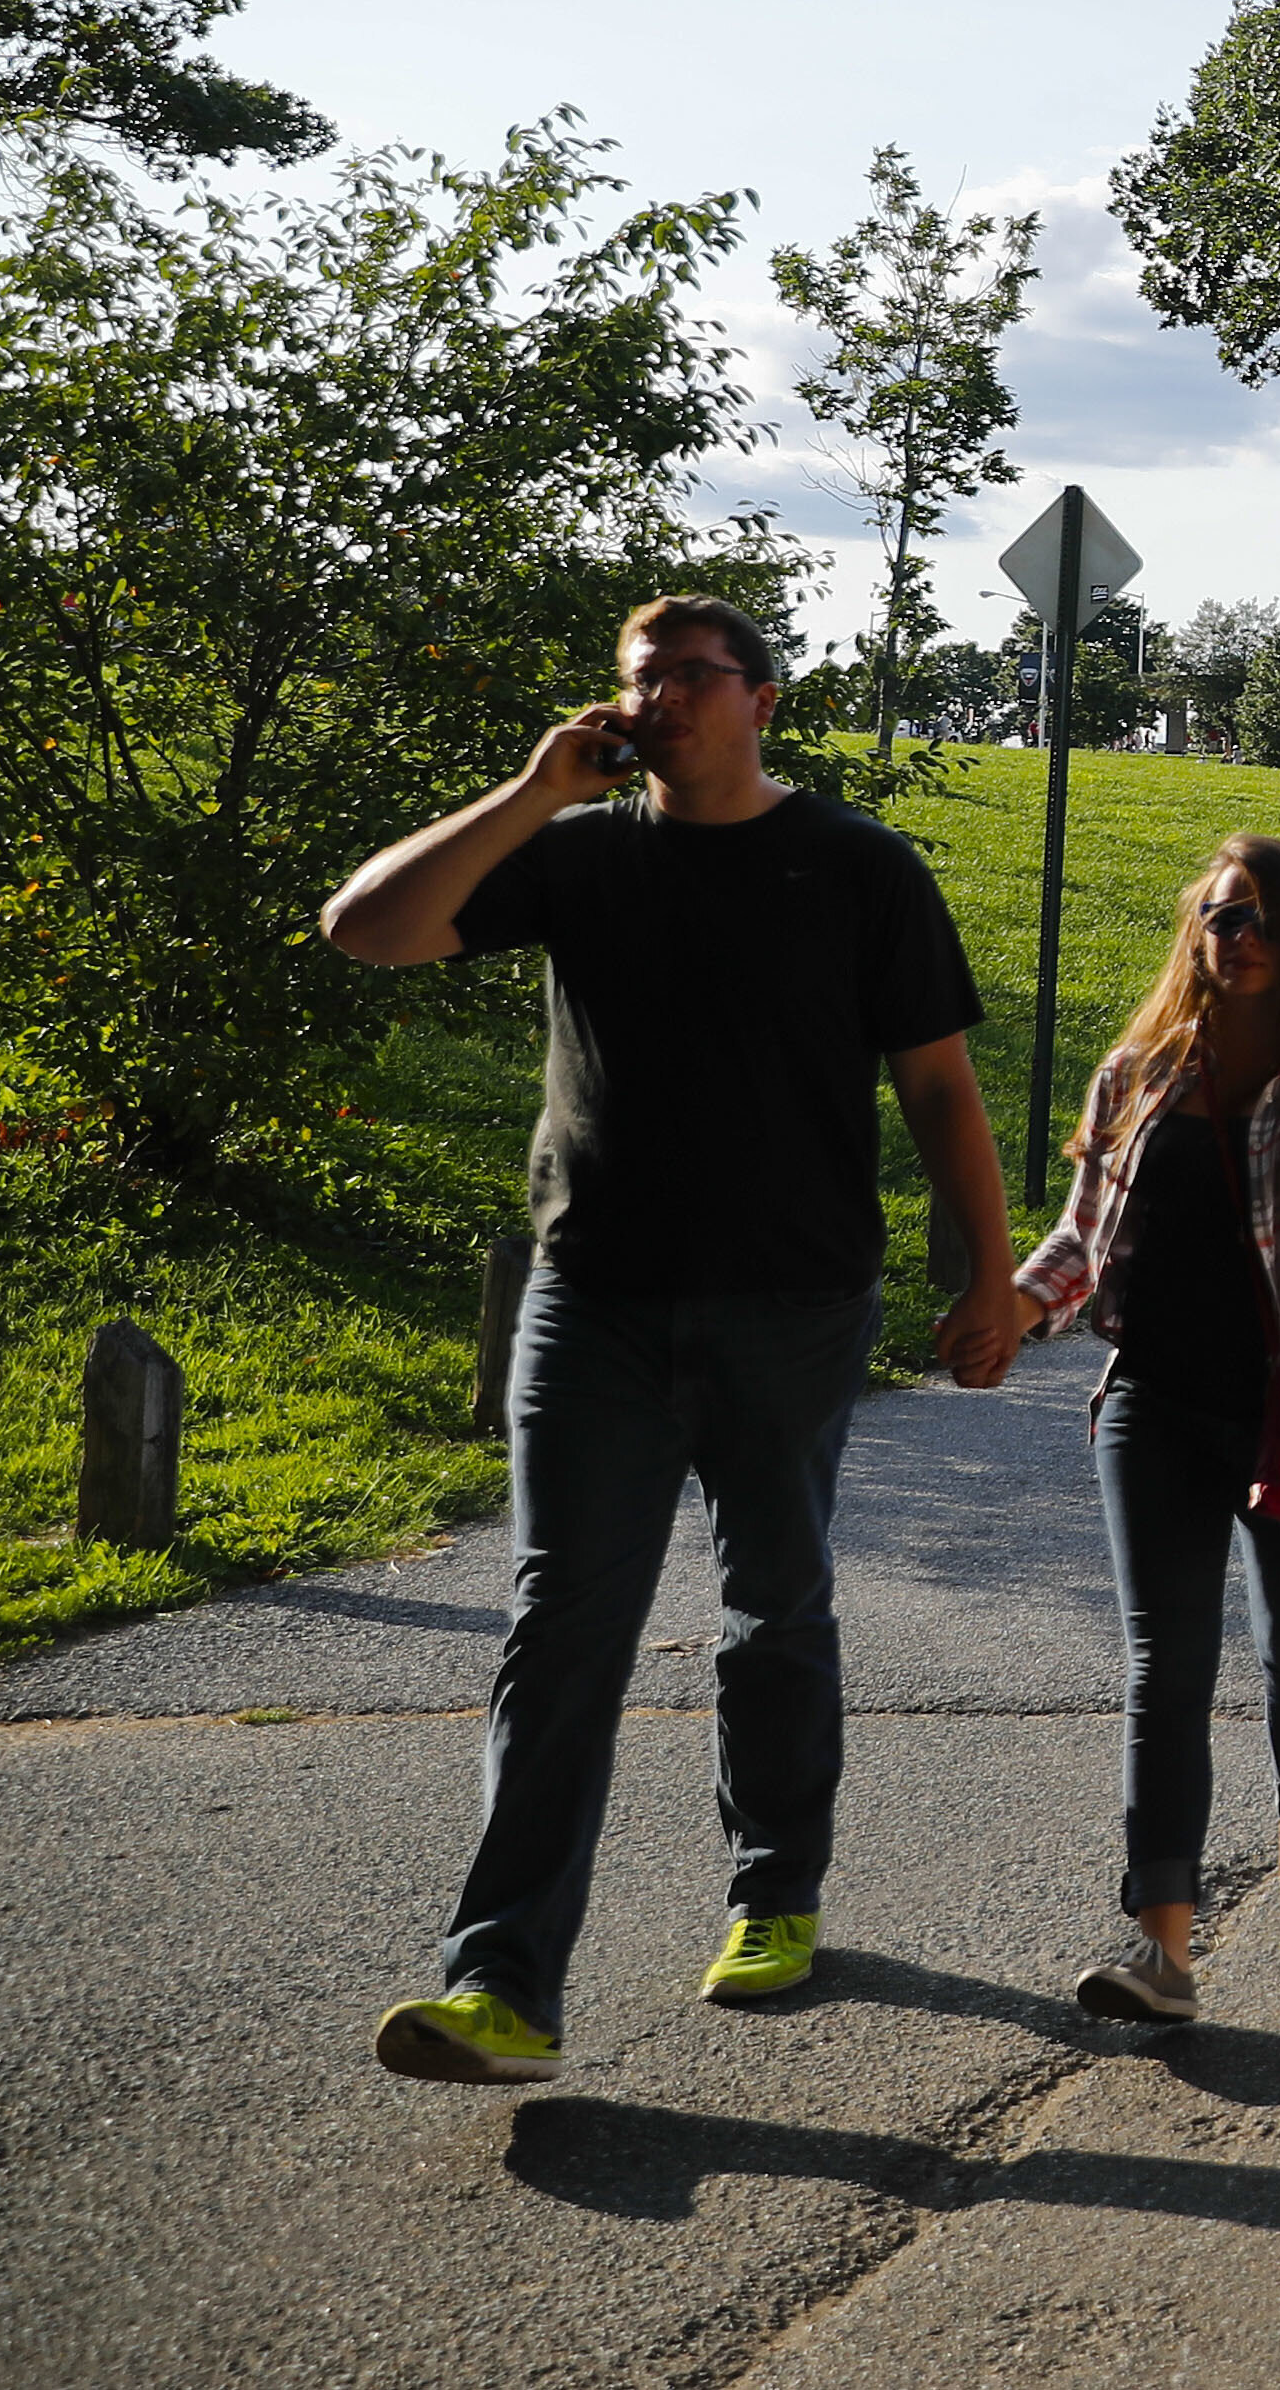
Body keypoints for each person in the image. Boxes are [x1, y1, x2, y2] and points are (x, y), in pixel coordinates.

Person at [320, 596, 1015, 2086]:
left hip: (794, 1298)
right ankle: (501, 1981)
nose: (665, 697)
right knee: (560, 1628)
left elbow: (940, 1088)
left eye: (697, 676)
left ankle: (774, 1889)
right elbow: (363, 929)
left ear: (763, 699)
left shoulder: (855, 866)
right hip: (595, 1302)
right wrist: (527, 792)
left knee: (774, 1607)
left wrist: (990, 1277)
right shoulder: (571, 854)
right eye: (645, 675)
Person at [1020, 836, 1280, 2020]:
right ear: (1192, 934)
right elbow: (1081, 1237)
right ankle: (1164, 1944)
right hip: (1152, 1397)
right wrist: (1011, 1304)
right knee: (1167, 1666)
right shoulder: (1136, 1071)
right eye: (1218, 917)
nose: (1236, 935)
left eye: (1258, 917)